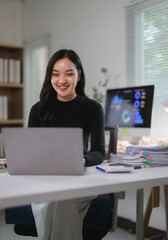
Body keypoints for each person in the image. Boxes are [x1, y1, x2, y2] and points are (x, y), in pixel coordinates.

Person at [15, 49, 113, 240]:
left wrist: (82, 160)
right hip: (45, 180)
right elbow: (31, 153)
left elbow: (99, 152)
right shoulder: (38, 110)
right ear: (49, 77)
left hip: (80, 178)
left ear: (79, 75)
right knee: (60, 198)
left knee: (62, 197)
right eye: (55, 74)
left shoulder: (92, 108)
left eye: (69, 73)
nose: (62, 80)